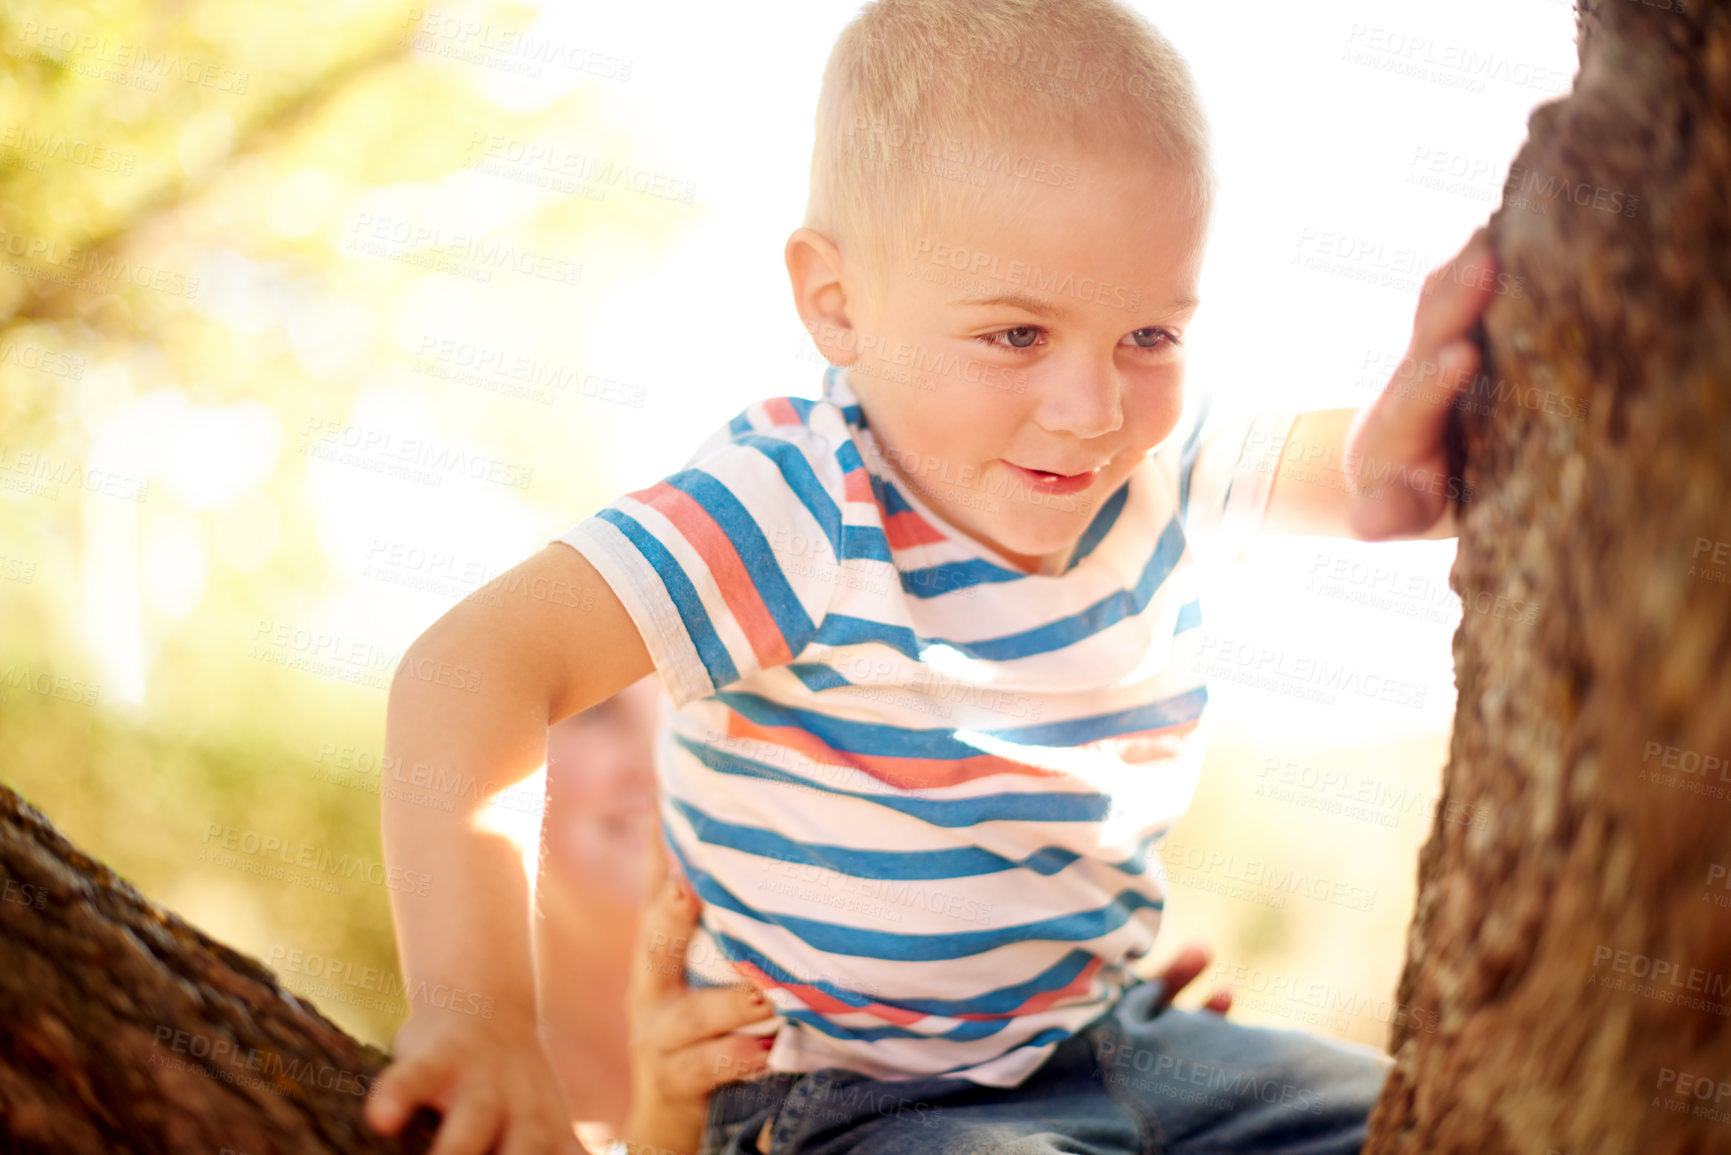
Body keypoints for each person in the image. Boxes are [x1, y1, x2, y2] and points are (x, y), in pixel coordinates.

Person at [364, 0, 1501, 1150]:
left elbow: (1381, 487)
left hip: (1113, 1040)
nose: (1093, 411)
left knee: (1441, 1125)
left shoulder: (1161, 458)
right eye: (1017, 336)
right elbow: (473, 669)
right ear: (838, 301)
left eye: (1150, 336)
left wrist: (1442, 418)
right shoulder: (799, 504)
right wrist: (479, 1013)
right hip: (851, 1101)